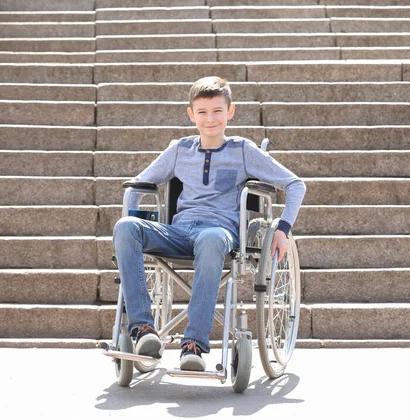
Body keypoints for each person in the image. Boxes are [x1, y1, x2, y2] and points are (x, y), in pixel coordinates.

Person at [112, 76, 306, 371]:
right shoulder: (180, 149)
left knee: (211, 238)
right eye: (202, 112)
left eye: (217, 111)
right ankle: (143, 330)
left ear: (230, 112)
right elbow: (139, 185)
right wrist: (132, 230)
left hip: (219, 233)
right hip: (178, 231)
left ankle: (193, 345)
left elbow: (295, 184)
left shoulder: (243, 150)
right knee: (125, 227)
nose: (210, 119)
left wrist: (283, 229)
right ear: (191, 115)